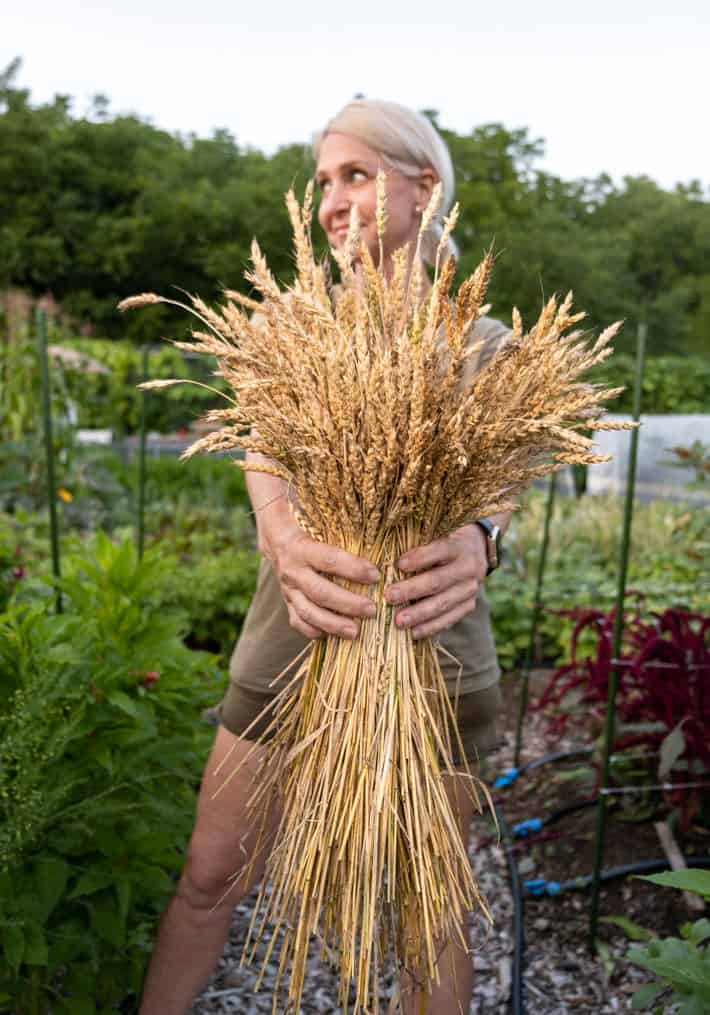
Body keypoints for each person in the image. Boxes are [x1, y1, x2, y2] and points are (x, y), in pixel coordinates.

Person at [139, 98, 512, 1015]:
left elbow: (503, 490)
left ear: (424, 185)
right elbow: (262, 462)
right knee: (210, 870)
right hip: (296, 622)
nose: (335, 200)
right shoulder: (286, 329)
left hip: (430, 638)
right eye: (324, 182)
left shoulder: (487, 344)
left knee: (430, 904)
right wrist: (283, 534)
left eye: (357, 173)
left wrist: (479, 540)